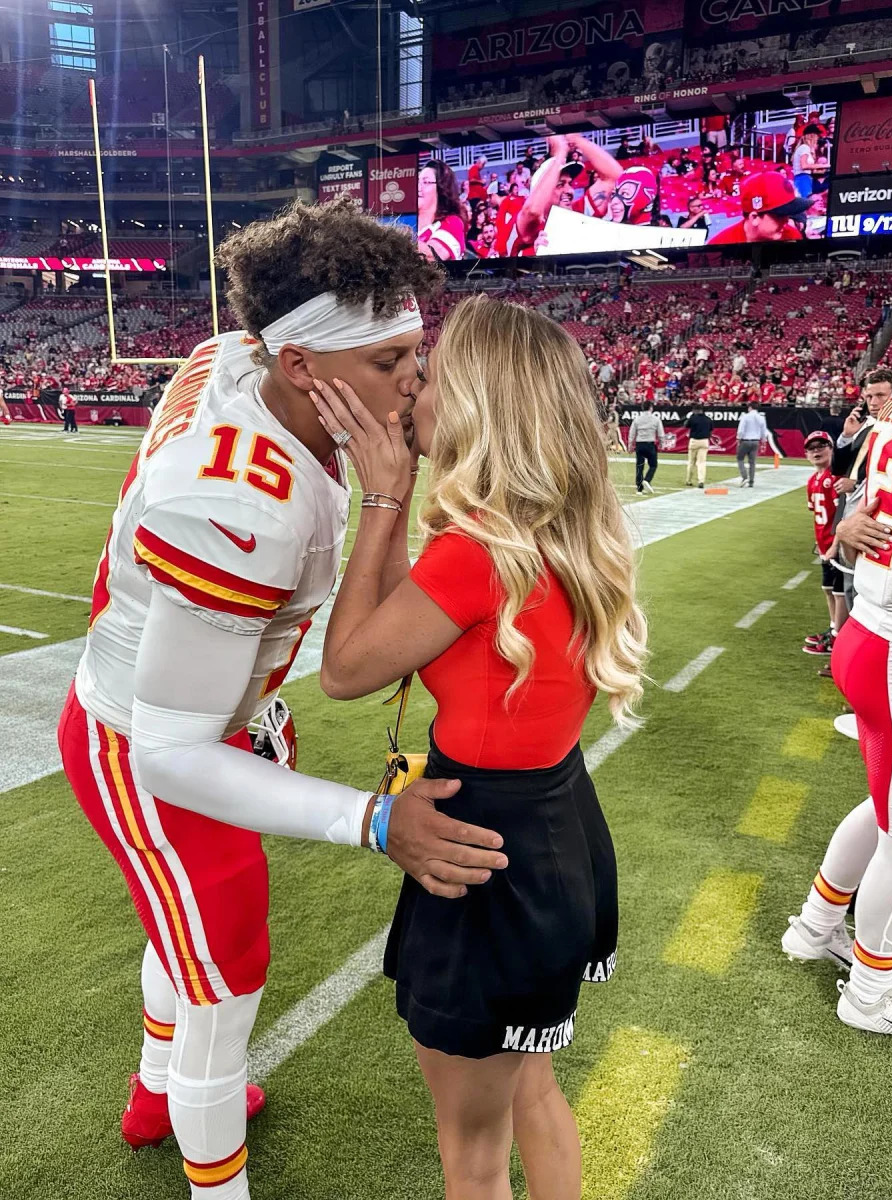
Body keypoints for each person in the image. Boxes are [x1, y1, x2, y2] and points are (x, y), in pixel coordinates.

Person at [57, 200, 507, 1200]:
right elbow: (170, 752)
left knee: (185, 935)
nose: (414, 382)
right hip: (147, 741)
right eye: (389, 362)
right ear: (302, 366)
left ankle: (154, 1091)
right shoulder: (239, 504)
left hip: (207, 703)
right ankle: (214, 1179)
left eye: (412, 356)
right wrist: (372, 818)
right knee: (225, 972)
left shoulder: (249, 355)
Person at [309, 295, 646, 1200]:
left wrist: (382, 495)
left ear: (477, 405)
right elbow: (396, 643)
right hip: (556, 827)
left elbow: (345, 669)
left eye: (432, 373)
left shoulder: (477, 551)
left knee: (473, 1154)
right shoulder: (561, 528)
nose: (412, 388)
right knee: (530, 1087)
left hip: (485, 852)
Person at [782, 302, 892, 1043]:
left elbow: (857, 513)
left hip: (872, 636)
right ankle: (871, 992)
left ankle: (815, 925)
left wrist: (852, 540)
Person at [802, 431, 847, 657]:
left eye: (821, 446)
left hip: (836, 545)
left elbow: (843, 513)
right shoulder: (813, 480)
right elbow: (816, 514)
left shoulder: (835, 477)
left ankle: (839, 637)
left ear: (831, 448)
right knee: (828, 589)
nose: (816, 451)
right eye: (811, 448)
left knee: (840, 593)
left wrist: (835, 545)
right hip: (824, 544)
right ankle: (833, 628)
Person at [707, 173, 811, 245]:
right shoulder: (719, 246)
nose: (787, 220)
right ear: (754, 218)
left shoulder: (791, 235)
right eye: (780, 215)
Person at [418, 160, 467, 262]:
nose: (418, 187)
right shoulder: (406, 223)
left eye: (426, 182)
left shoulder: (453, 222)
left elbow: (430, 256)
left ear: (441, 189)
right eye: (417, 181)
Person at [627, 400, 665, 493]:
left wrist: (630, 444)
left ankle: (639, 488)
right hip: (650, 444)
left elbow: (632, 433)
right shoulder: (656, 419)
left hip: (640, 444)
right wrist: (661, 443)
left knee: (639, 466)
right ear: (651, 408)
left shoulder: (637, 419)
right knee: (653, 465)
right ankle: (647, 479)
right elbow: (660, 433)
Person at [736, 400, 767, 488]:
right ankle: (751, 481)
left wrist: (738, 438)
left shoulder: (745, 417)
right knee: (752, 462)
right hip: (755, 441)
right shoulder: (761, 417)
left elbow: (741, 429)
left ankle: (744, 476)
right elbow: (763, 431)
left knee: (740, 458)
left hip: (745, 440)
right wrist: (763, 441)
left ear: (750, 407)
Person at [685, 403, 713, 488]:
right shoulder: (708, 419)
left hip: (694, 440)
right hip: (704, 441)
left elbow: (686, 425)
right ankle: (701, 481)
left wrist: (691, 417)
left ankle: (689, 480)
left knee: (691, 462)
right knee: (701, 463)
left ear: (695, 410)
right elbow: (711, 430)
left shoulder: (693, 418)